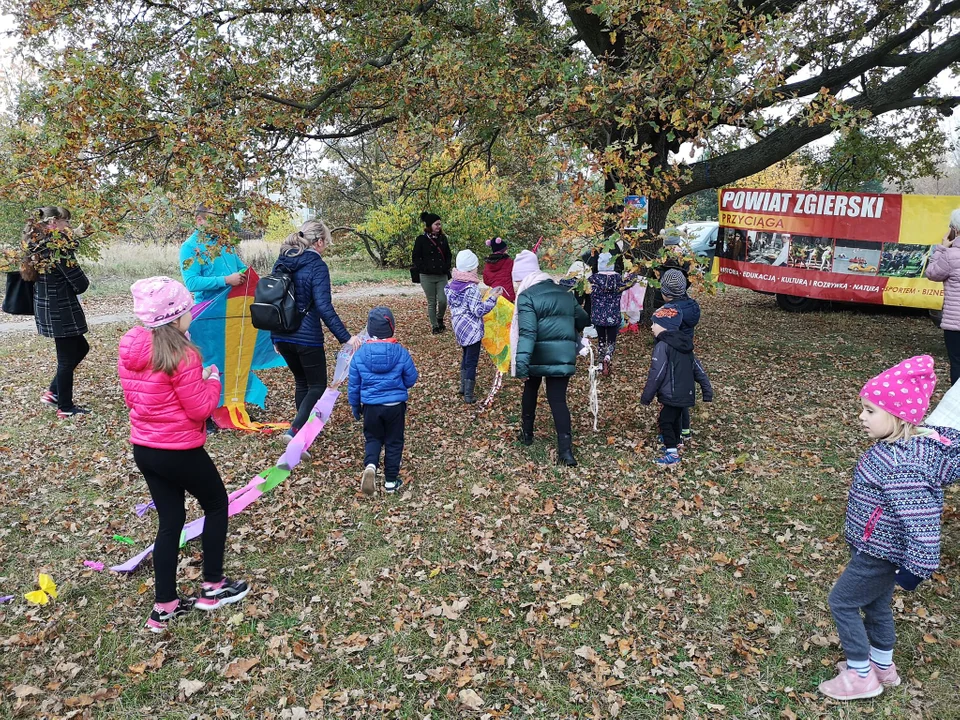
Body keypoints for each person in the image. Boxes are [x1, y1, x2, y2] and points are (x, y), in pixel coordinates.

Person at [818, 355, 960, 700]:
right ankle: (882, 666)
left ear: (898, 416)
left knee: (842, 603)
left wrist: (917, 569)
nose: (861, 417)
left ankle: (860, 676)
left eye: (870, 411)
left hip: (878, 552)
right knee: (877, 605)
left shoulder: (903, 466)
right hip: (874, 545)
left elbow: (922, 526)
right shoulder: (900, 446)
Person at [118, 277, 249, 633]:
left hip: (146, 449)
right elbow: (201, 409)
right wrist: (212, 379)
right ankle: (213, 587)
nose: (192, 312)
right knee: (217, 504)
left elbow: (136, 399)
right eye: (188, 308)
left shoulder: (131, 345)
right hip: (178, 451)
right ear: (176, 318)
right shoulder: (183, 355)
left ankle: (165, 606)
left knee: (170, 522)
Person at [270, 220, 362, 448]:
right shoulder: (316, 266)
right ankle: (294, 433)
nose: (325, 247)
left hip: (282, 334)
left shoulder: (282, 261)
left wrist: (274, 336)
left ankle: (301, 439)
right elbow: (323, 305)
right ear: (318, 241)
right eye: (326, 243)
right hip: (306, 336)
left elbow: (272, 299)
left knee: (302, 382)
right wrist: (346, 337)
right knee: (317, 386)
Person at [511, 249, 589, 466]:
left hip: (536, 354)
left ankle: (527, 434)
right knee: (558, 400)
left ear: (524, 276)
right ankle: (566, 452)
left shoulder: (527, 297)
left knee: (530, 389)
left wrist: (521, 366)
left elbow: (527, 334)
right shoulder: (565, 293)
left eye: (517, 280)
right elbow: (583, 318)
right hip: (562, 355)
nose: (517, 285)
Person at [20, 206, 91, 418]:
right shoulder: (56, 251)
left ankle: (53, 392)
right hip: (60, 310)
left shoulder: (37, 245)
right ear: (53, 224)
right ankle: (65, 407)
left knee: (81, 347)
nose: (69, 226)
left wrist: (75, 234)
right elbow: (81, 283)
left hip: (48, 307)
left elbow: (70, 243)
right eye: (66, 222)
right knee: (66, 359)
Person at [349, 306, 418, 495]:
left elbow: (354, 385)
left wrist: (356, 406)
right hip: (395, 406)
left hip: (371, 407)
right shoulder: (401, 352)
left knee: (373, 437)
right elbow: (411, 378)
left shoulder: (360, 355)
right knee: (394, 441)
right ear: (392, 328)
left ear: (369, 330)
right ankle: (390, 481)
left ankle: (371, 465)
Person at [640, 305, 713, 466]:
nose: (651, 327)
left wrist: (646, 397)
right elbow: (698, 369)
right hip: (685, 393)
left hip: (672, 393)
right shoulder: (685, 345)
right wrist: (707, 391)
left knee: (665, 420)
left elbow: (656, 374)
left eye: (654, 323)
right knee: (675, 418)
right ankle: (677, 439)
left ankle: (671, 453)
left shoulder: (662, 346)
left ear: (665, 326)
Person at [446, 249, 501, 403]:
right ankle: (469, 395)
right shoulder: (471, 288)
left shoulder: (452, 286)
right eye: (476, 266)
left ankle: (463, 387)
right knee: (471, 361)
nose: (478, 269)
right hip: (472, 331)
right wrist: (493, 299)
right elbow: (478, 310)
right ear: (470, 268)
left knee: (465, 356)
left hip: (459, 328)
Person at [660, 268, 702, 442]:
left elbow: (664, 335)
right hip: (687, 356)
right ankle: (685, 429)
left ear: (666, 292)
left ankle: (672, 432)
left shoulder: (670, 312)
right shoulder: (691, 307)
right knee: (683, 393)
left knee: (672, 396)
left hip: (671, 358)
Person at [179, 205, 247, 303]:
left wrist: (244, 273)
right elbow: (192, 283)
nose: (219, 224)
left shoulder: (224, 242)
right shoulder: (189, 246)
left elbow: (241, 267)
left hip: (233, 305)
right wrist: (226, 280)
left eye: (221, 219)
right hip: (209, 310)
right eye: (214, 219)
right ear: (199, 220)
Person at [924, 210, 960, 385]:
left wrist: (941, 248)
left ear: (954, 229)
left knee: (957, 364)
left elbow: (931, 273)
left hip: (956, 324)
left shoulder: (950, 256)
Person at [588, 252, 637, 375]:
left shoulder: (592, 280)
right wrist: (633, 271)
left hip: (598, 316)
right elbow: (631, 282)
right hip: (613, 316)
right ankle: (608, 357)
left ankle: (600, 362)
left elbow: (580, 286)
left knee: (601, 339)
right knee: (611, 339)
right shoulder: (618, 280)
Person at [411, 212, 452, 334]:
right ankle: (435, 326)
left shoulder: (443, 239)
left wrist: (446, 266)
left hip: (441, 275)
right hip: (426, 276)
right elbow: (416, 257)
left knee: (443, 300)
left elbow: (448, 254)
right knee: (432, 301)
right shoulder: (421, 239)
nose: (439, 226)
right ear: (430, 225)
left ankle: (440, 318)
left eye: (440, 224)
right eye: (436, 224)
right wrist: (424, 268)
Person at [482, 236, 515, 302]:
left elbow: (486, 281)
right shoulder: (509, 262)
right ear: (503, 251)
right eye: (506, 250)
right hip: (508, 296)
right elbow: (515, 275)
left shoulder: (487, 264)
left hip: (494, 296)